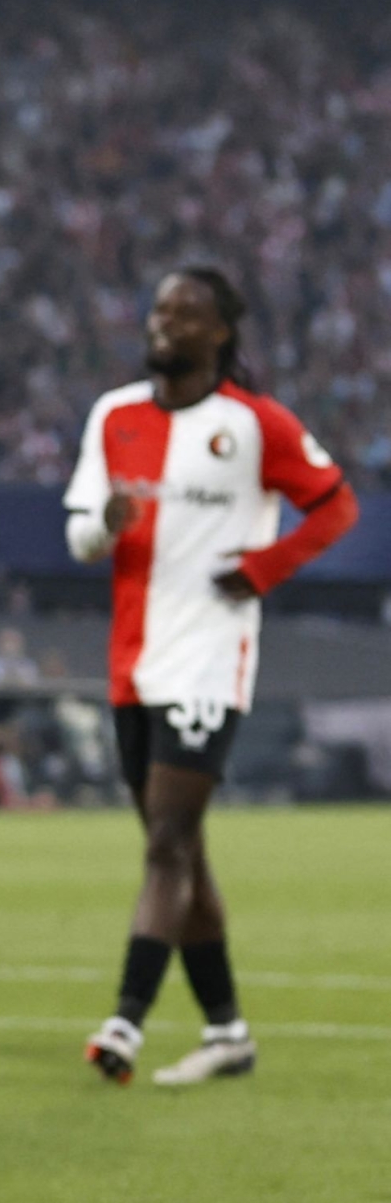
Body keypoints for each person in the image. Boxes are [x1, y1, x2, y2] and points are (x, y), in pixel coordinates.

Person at [65, 267, 358, 1086]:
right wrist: (103, 525)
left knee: (166, 843)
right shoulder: (113, 416)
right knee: (181, 847)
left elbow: (336, 506)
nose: (166, 324)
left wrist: (266, 567)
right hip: (132, 663)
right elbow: (79, 535)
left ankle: (125, 1021)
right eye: (159, 309)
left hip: (208, 659)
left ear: (219, 333)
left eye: (185, 313)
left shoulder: (254, 425)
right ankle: (228, 1031)